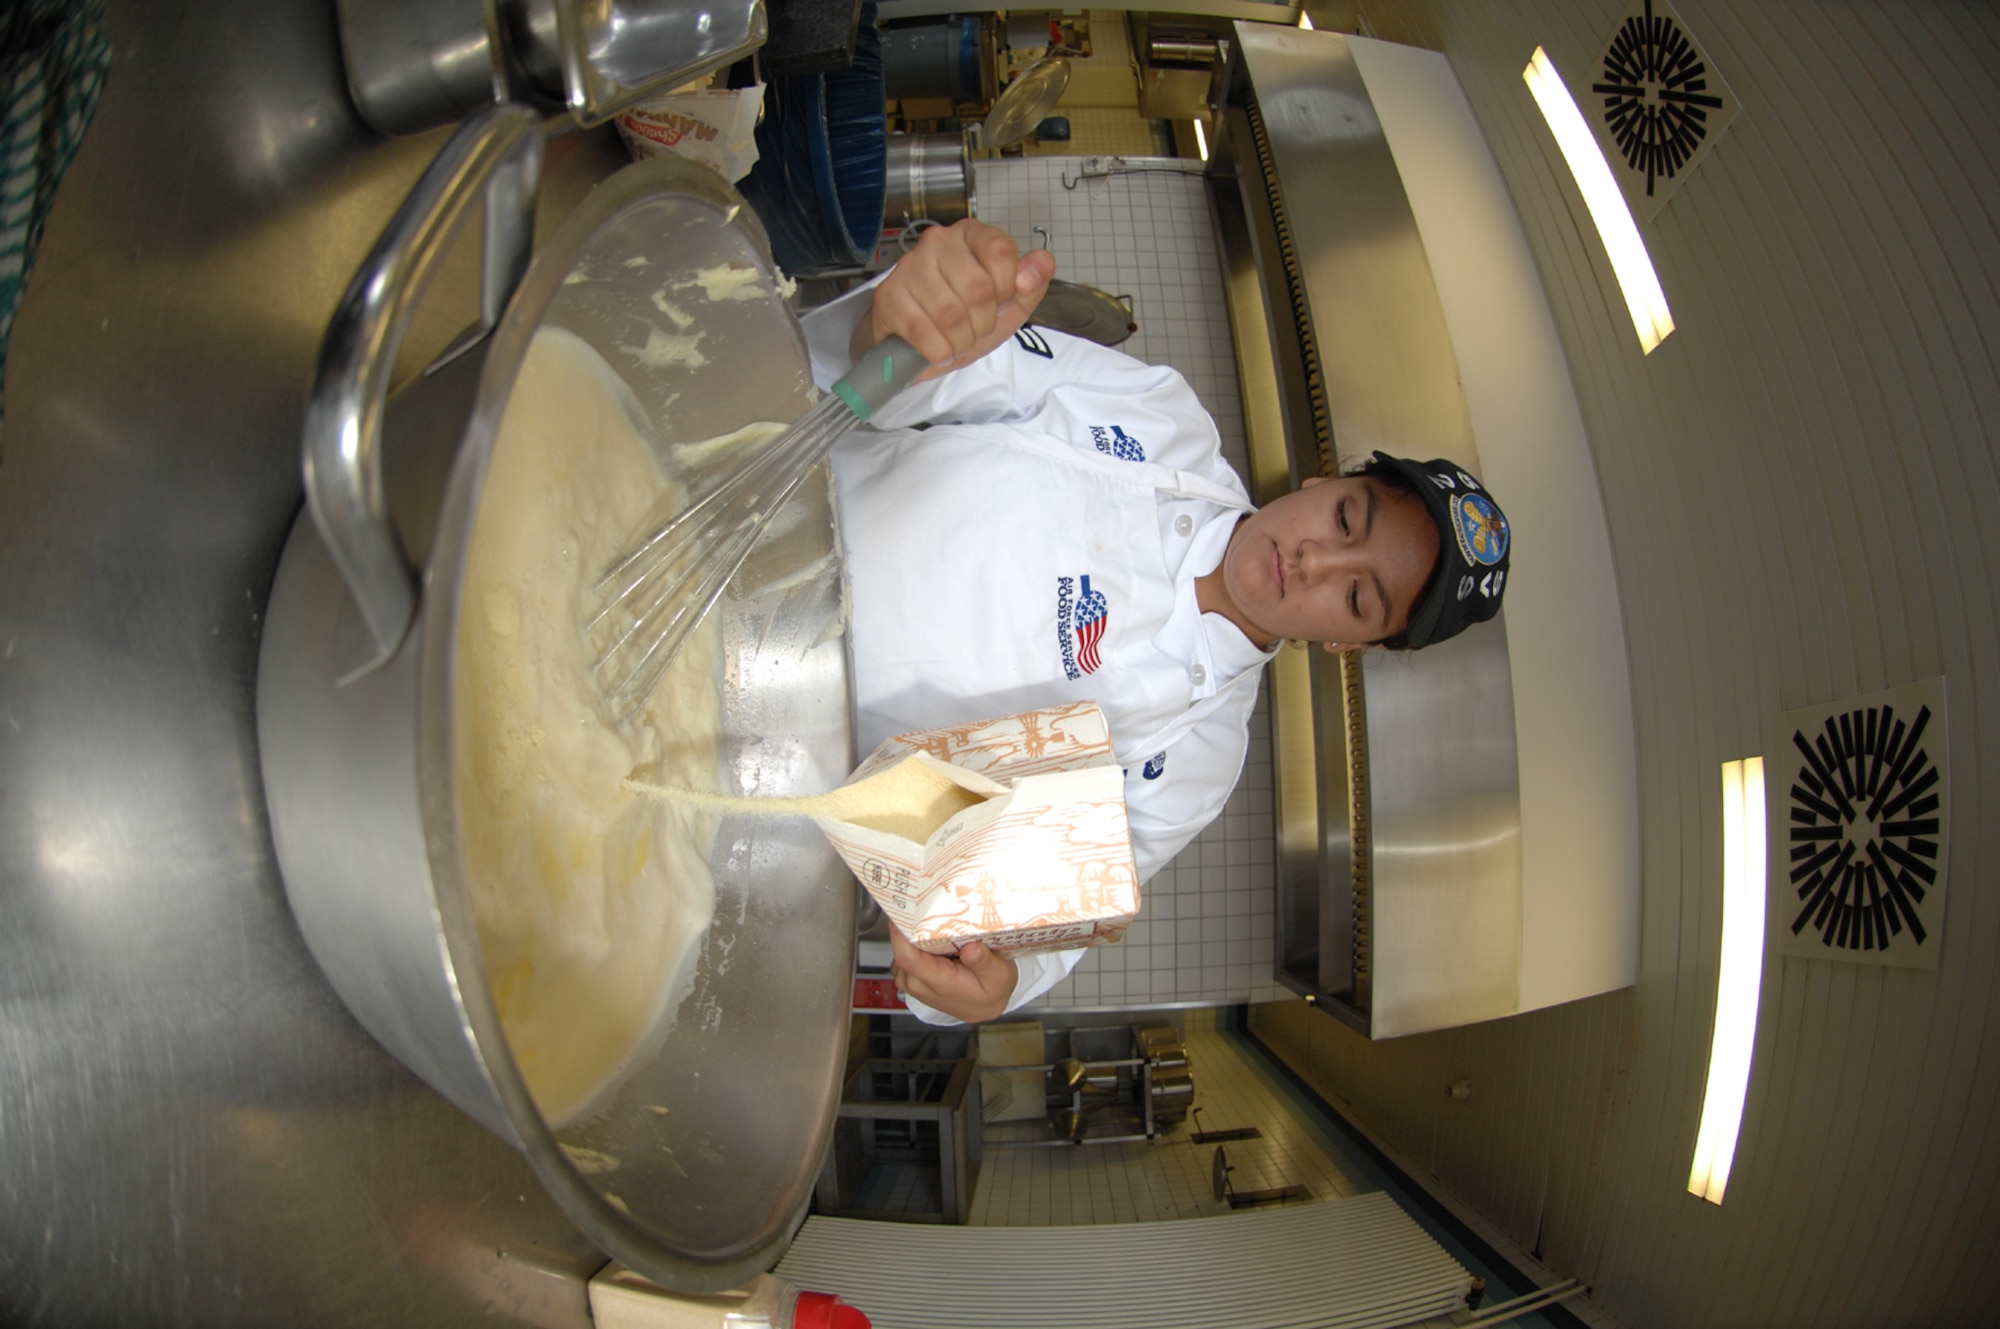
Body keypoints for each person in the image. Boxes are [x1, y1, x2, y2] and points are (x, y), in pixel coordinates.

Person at [799, 219, 1513, 1026]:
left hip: (787, 745)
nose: (1317, 561)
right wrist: (908, 325)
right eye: (1347, 518)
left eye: (1356, 598)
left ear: (1349, 643)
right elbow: (921, 370)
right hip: (769, 524)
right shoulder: (1160, 416)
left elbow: (1042, 915)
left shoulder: (1199, 756)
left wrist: (1000, 984)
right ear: (1323, 479)